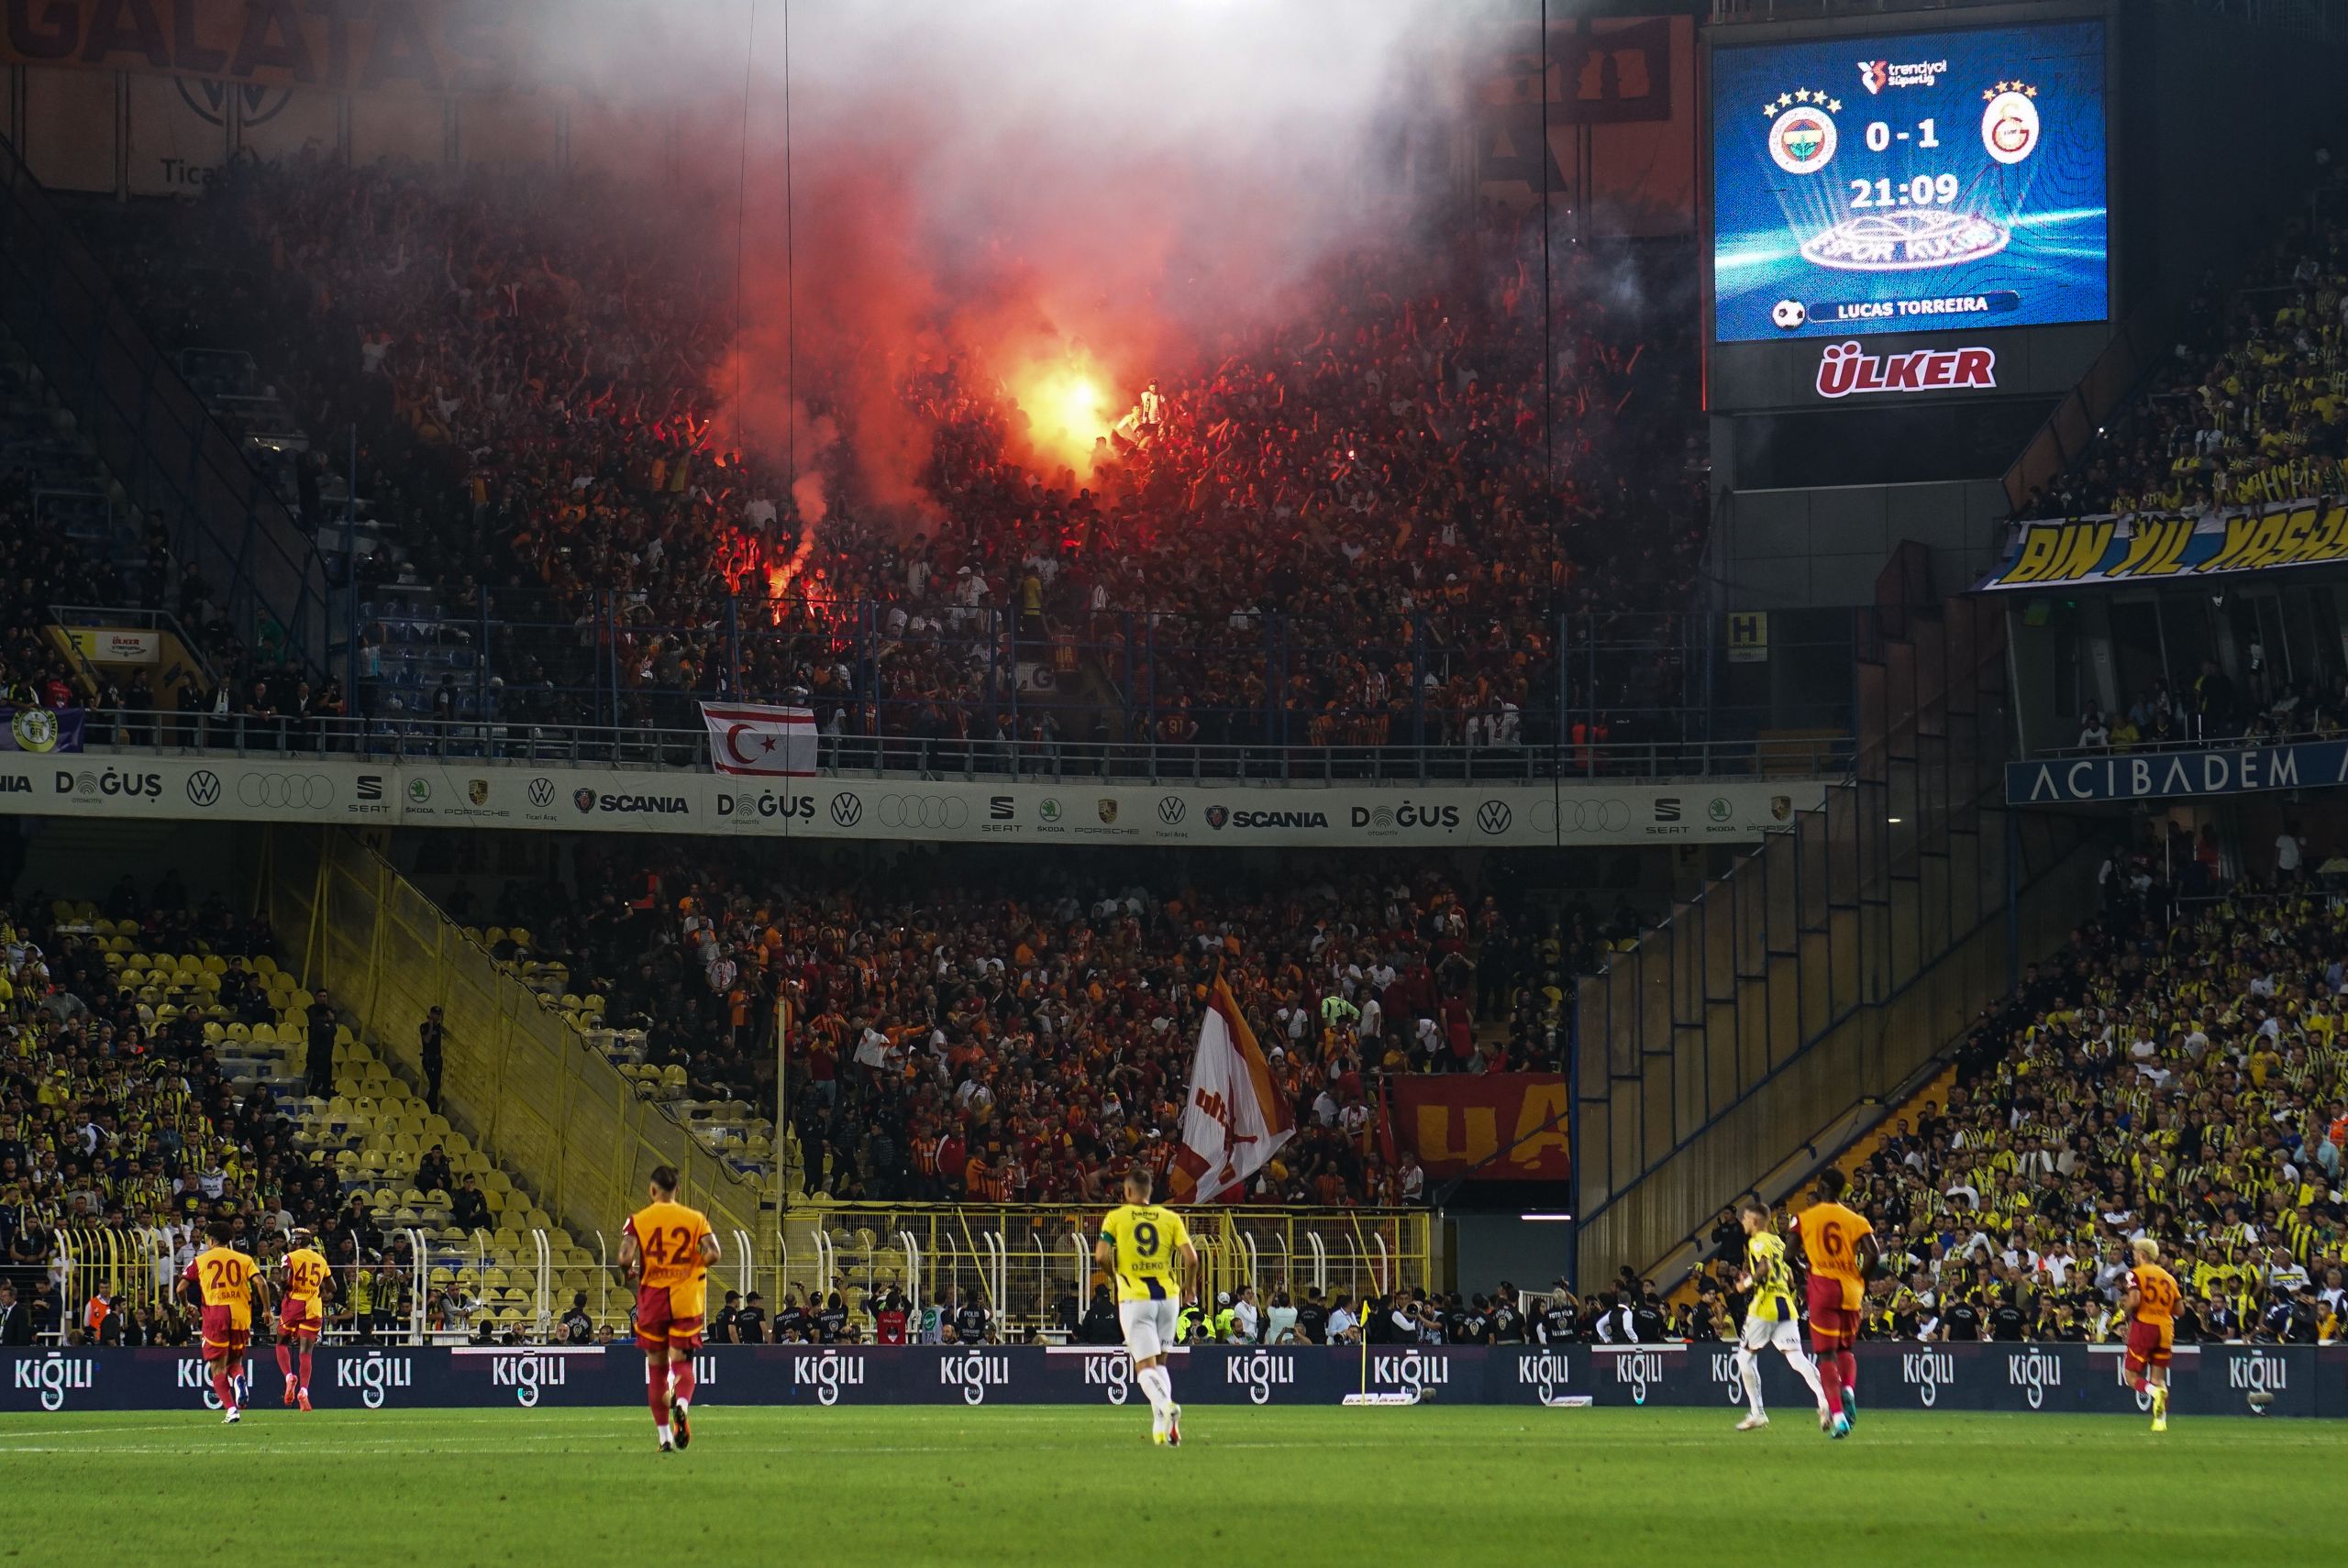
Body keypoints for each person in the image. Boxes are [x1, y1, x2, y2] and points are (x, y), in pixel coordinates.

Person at [619, 1165, 720, 1454]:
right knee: (683, 1364)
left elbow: (625, 1256)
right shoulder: (695, 1219)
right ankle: (683, 1406)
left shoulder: (638, 1220)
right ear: (677, 1189)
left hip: (653, 1299)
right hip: (686, 1298)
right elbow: (713, 1252)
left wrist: (628, 1271)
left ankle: (664, 1440)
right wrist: (690, 1268)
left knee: (657, 1369)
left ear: (653, 1190)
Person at [1095, 1165, 1199, 1447]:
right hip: (1168, 1297)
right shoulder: (1169, 1217)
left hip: (1135, 1297)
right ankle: (1162, 1429)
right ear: (1149, 1192)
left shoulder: (1116, 1217)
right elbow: (1192, 1258)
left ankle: (1166, 1405)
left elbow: (1101, 1254)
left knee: (1144, 1368)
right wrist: (1189, 1286)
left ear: (1127, 1191)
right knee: (1161, 1362)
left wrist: (1113, 1276)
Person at [1731, 1199, 1832, 1433]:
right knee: (1797, 1359)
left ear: (1754, 1221)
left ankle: (1758, 1414)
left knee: (1744, 1358)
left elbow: (1764, 1267)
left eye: (1745, 1218)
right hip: (1786, 1305)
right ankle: (1824, 1400)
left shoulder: (1756, 1242)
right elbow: (1790, 1280)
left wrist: (1744, 1284)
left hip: (1765, 1306)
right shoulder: (1778, 1241)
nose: (1743, 1222)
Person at [1791, 1169, 1876, 1439]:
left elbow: (1788, 1253)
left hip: (1822, 1288)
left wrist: (1806, 1270)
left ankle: (1839, 1418)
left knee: (1826, 1356)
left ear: (1823, 1186)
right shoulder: (1856, 1219)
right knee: (1845, 1349)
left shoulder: (1805, 1218)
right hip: (1850, 1291)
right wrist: (1859, 1280)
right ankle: (1848, 1388)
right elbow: (1873, 1253)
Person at [178, 1218, 264, 1425]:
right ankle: (239, 1379)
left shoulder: (200, 1261)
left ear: (210, 1240)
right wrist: (268, 1310)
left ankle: (232, 1409)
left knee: (217, 1368)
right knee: (235, 1361)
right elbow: (260, 1282)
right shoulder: (244, 1259)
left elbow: (181, 1288)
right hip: (241, 1314)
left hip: (216, 1313)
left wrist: (187, 1305)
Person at [2121, 1237, 2180, 1433]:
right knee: (2158, 1377)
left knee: (2130, 1376)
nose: (2134, 1257)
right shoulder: (2169, 1278)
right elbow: (2179, 1310)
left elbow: (2135, 1299)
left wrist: (2124, 1310)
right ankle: (2160, 1422)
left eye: (2136, 1254)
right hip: (2165, 1329)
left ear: (2142, 1255)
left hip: (2145, 1326)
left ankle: (2155, 1393)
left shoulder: (2135, 1274)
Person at [274, 1228, 330, 1411]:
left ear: (298, 1241)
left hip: (294, 1304)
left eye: (292, 1240)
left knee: (281, 1343)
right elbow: (333, 1286)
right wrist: (319, 1287)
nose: (290, 1243)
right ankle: (304, 1391)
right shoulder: (320, 1259)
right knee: (306, 1352)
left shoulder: (290, 1257)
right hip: (314, 1307)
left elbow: (283, 1278)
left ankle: (288, 1376)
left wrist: (283, 1289)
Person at [418, 1007, 446, 1111]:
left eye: (438, 1015)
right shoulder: (424, 1027)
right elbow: (427, 1040)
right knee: (434, 1083)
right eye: (435, 1014)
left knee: (436, 1084)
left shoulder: (438, 1027)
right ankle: (430, 1107)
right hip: (429, 1060)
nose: (436, 1017)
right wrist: (430, 1025)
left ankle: (431, 1105)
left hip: (437, 1059)